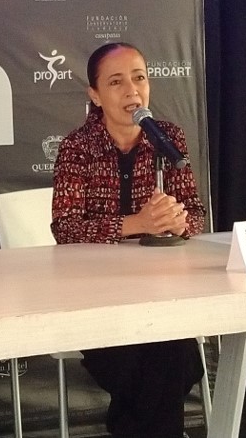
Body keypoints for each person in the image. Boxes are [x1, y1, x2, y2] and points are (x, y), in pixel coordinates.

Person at [51, 42, 206, 438]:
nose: (132, 90)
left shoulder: (167, 139)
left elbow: (196, 215)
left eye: (139, 78)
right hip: (94, 294)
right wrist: (138, 223)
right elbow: (65, 228)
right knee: (152, 364)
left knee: (174, 354)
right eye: (116, 82)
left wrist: (177, 221)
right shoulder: (77, 147)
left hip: (158, 292)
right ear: (95, 95)